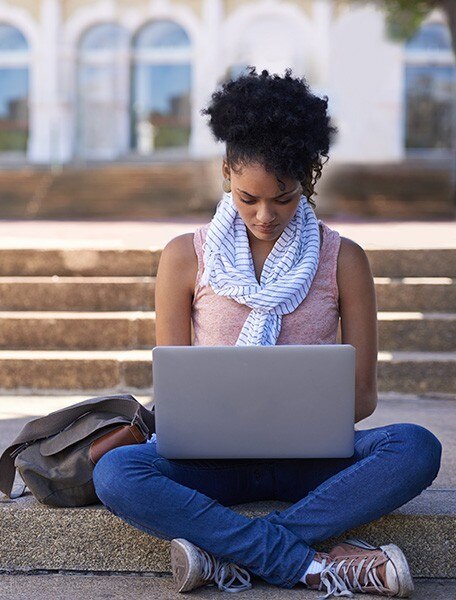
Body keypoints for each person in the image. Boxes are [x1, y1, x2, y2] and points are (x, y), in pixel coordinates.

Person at [91, 68, 442, 598]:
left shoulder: (343, 259)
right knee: (117, 472)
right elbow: (174, 395)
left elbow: (363, 397)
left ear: (307, 178)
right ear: (226, 170)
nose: (264, 215)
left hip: (312, 461)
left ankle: (229, 554)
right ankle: (313, 565)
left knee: (416, 447)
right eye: (248, 197)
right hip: (212, 463)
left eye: (283, 198)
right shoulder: (184, 256)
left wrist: (295, 419)